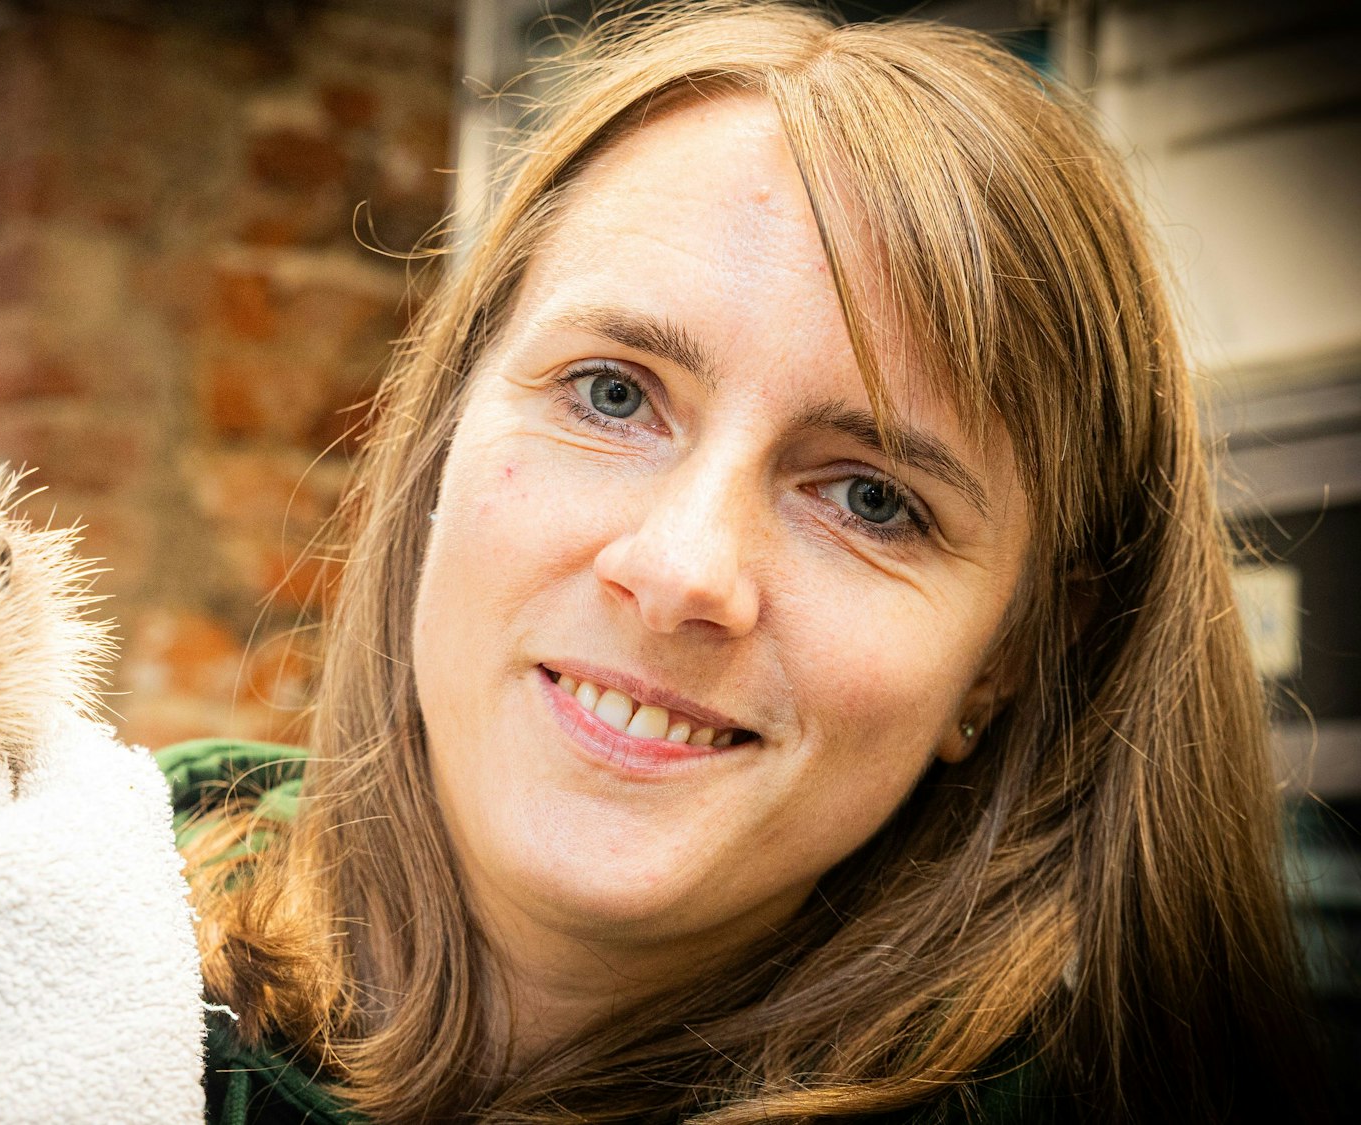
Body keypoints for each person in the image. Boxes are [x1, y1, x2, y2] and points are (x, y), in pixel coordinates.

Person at [162, 3, 1330, 1121]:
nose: (680, 572)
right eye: (611, 394)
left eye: (872, 501)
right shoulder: (52, 907)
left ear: (1006, 658)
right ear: (440, 434)